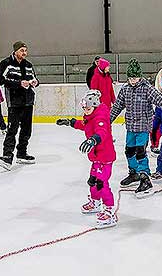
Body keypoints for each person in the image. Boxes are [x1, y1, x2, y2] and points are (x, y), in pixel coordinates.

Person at [110, 58, 162, 197]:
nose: (133, 80)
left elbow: (161, 100)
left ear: (140, 76)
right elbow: (117, 106)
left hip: (143, 126)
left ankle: (145, 178)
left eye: (135, 77)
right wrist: (108, 120)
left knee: (140, 152)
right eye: (130, 78)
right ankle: (134, 173)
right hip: (130, 127)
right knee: (129, 151)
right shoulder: (125, 89)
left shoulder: (147, 89)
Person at [56, 90, 117, 228]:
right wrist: (70, 122)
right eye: (84, 108)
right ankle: (95, 202)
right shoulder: (90, 116)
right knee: (93, 181)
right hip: (96, 158)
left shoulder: (100, 118)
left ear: (95, 106)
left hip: (105, 158)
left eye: (88, 108)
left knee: (102, 183)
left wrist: (92, 140)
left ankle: (109, 210)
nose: (85, 110)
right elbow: (84, 125)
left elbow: (102, 132)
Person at [0, 41, 40, 170]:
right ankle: (7, 156)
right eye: (22, 50)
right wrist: (19, 83)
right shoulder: (6, 63)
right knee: (12, 129)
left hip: (28, 101)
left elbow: (35, 79)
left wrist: (35, 82)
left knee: (27, 129)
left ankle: (22, 153)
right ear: (15, 51)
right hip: (14, 102)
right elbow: (3, 80)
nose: (25, 53)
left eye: (26, 50)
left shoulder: (28, 65)